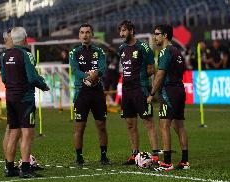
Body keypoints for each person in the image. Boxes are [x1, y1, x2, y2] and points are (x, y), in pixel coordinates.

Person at [0, 27, 49, 178]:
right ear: (25, 38)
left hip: (11, 98)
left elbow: (4, 79)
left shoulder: (3, 56)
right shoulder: (26, 54)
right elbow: (32, 77)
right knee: (27, 134)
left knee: (13, 132)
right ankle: (25, 169)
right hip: (25, 99)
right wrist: (43, 85)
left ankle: (9, 168)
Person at [147, 24, 190, 172]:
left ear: (165, 35)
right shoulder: (177, 51)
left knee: (164, 126)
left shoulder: (165, 51)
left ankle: (167, 162)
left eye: (157, 34)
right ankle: (185, 161)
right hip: (179, 89)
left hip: (169, 91)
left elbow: (160, 74)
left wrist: (152, 93)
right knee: (179, 126)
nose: (154, 37)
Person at [118, 20, 160, 165]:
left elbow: (151, 69)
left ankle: (155, 154)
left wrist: (140, 77)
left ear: (131, 31)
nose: (121, 34)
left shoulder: (143, 47)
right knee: (130, 124)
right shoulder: (122, 48)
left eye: (124, 30)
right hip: (126, 91)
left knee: (148, 122)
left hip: (140, 90)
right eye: (120, 31)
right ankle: (134, 154)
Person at [69, 23, 110, 166]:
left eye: (87, 32)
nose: (85, 35)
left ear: (92, 34)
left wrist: (96, 74)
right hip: (81, 93)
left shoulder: (99, 51)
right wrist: (87, 76)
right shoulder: (74, 52)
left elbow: (103, 67)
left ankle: (104, 156)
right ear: (79, 35)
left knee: (101, 126)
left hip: (97, 93)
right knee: (79, 128)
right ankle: (79, 158)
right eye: (82, 32)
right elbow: (75, 70)